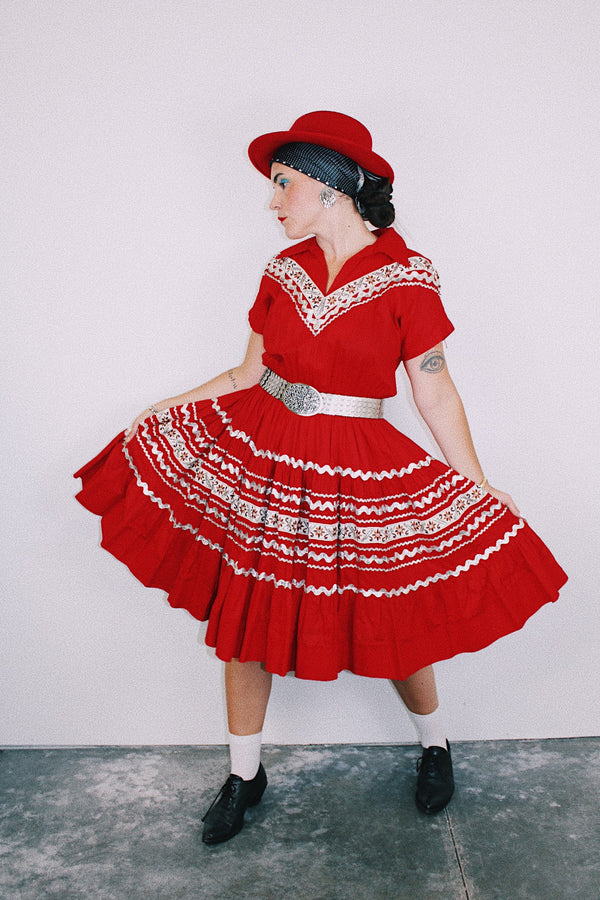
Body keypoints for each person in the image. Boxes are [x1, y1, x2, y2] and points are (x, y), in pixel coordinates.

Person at [74, 110, 567, 846]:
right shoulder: (282, 270)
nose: (272, 201)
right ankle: (244, 775)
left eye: (284, 184)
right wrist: (164, 408)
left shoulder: (408, 276)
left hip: (356, 462)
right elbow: (248, 372)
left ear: (334, 188)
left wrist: (476, 481)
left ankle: (435, 746)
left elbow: (432, 387)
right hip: (265, 451)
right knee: (243, 622)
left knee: (391, 621)